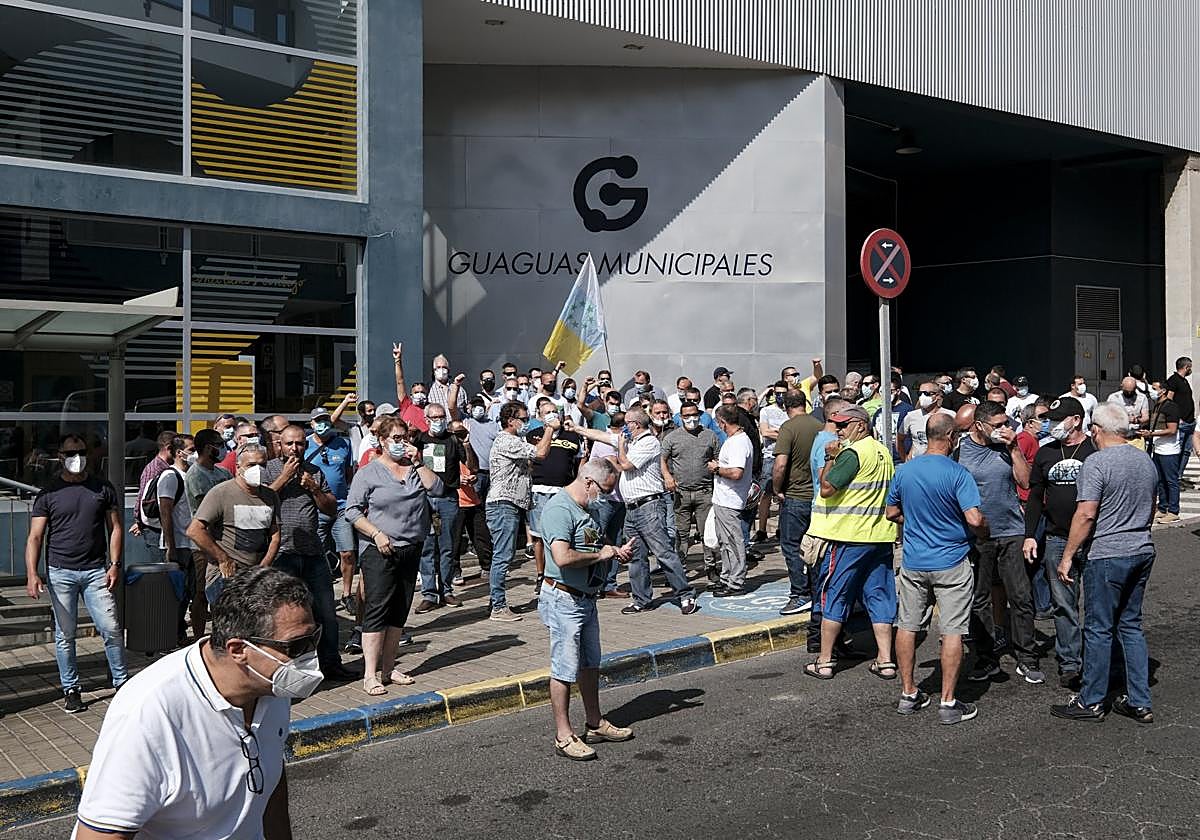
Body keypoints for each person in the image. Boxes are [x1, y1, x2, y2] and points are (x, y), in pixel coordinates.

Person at [72, 567, 312, 839]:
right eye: (297, 646)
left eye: (313, 639)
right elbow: (100, 834)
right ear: (239, 650)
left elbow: (270, 779)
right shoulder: (148, 714)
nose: (309, 658)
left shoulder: (271, 687)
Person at [1050, 404, 1158, 723]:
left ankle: (1092, 699)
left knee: (1098, 627)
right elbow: (1151, 506)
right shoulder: (1144, 459)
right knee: (1131, 624)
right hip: (1141, 547)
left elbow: (1086, 514)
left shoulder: (1096, 462)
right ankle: (1139, 700)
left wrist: (1067, 556)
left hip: (1108, 552)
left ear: (1096, 430)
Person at [886, 412, 988, 725]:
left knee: (908, 625)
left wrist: (914, 521)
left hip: (915, 561)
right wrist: (985, 528)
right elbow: (973, 519)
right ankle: (948, 701)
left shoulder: (905, 471)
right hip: (951, 561)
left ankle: (908, 692)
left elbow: (892, 513)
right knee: (953, 630)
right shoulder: (958, 473)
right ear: (951, 438)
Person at [538, 459, 637, 761]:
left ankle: (594, 723)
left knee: (590, 664)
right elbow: (563, 557)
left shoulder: (588, 508)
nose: (606, 497)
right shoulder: (558, 509)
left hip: (586, 598)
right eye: (605, 490)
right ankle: (563, 735)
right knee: (565, 669)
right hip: (563, 599)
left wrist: (614, 551)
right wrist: (600, 555)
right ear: (589, 482)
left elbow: (597, 540)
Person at [25, 433, 127, 714]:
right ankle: (71, 688)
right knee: (65, 634)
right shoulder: (49, 493)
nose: (76, 458)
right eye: (70, 453)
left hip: (96, 571)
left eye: (80, 452)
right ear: (60, 456)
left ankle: (121, 683)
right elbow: (35, 536)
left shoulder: (102, 488)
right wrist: (32, 574)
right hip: (60, 572)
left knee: (111, 628)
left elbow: (115, 528)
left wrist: (115, 564)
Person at [346, 416, 442, 694]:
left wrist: (419, 462)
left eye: (405, 438)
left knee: (400, 609)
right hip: (380, 550)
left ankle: (389, 669)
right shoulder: (369, 472)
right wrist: (376, 533)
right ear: (383, 441)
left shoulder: (413, 468)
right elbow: (352, 511)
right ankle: (370, 674)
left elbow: (436, 489)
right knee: (377, 610)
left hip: (410, 547)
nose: (402, 444)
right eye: (396, 439)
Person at [803, 405, 898, 681]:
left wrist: (830, 458)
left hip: (849, 538)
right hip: (879, 537)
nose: (839, 430)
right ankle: (885, 660)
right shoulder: (882, 452)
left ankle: (824, 661)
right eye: (836, 425)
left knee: (835, 594)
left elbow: (827, 487)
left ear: (860, 425)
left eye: (844, 425)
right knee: (879, 595)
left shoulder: (852, 453)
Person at [575, 407, 698, 615]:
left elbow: (626, 464)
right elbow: (602, 436)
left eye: (627, 423)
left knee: (663, 553)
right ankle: (641, 599)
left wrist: (621, 446)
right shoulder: (629, 441)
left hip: (649, 505)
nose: (624, 427)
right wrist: (577, 428)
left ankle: (685, 595)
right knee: (635, 556)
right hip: (631, 508)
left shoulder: (649, 442)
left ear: (636, 424)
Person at [957, 400, 1042, 684]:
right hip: (978, 535)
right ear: (979, 426)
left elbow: (1026, 482)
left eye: (1007, 423)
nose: (1005, 429)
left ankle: (1026, 657)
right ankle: (986, 657)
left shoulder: (1007, 448)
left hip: (1011, 530)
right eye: (999, 425)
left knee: (1020, 596)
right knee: (980, 598)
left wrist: (1014, 447)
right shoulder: (961, 450)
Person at [262, 425, 356, 682]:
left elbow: (331, 509)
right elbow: (260, 502)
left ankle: (330, 664)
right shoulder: (267, 470)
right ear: (279, 445)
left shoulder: (314, 472)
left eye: (301, 444)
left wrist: (314, 488)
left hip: (313, 552)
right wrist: (283, 478)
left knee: (325, 611)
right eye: (290, 444)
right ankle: (289, 669)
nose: (295, 448)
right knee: (285, 615)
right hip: (282, 553)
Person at [1023, 397, 1096, 689]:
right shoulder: (1046, 453)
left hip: (1093, 540)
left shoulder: (1094, 450)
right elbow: (1035, 498)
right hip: (1055, 539)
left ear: (1076, 420)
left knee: (1095, 604)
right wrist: (1030, 534)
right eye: (1048, 419)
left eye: (1057, 419)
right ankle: (1070, 663)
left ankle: (1096, 659)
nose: (1050, 425)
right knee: (1063, 605)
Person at [486, 400, 556, 621]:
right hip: (502, 504)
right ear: (510, 421)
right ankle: (498, 606)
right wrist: (550, 429)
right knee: (503, 556)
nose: (527, 423)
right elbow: (541, 453)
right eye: (524, 419)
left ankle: (495, 600)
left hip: (511, 504)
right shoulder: (507, 440)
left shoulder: (514, 441)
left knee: (503, 554)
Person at [186, 444, 281, 606]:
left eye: (262, 465)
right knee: (230, 627)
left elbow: (275, 536)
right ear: (238, 467)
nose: (258, 470)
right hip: (226, 576)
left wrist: (263, 567)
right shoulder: (221, 493)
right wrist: (223, 559)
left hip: (257, 575)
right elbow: (194, 530)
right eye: (251, 465)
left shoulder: (270, 496)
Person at [522, 399, 584, 595]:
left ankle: (562, 574)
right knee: (539, 536)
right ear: (539, 416)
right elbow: (528, 460)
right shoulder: (532, 435)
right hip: (539, 490)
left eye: (554, 411)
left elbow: (580, 461)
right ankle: (542, 575)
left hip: (563, 492)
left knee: (563, 534)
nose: (551, 414)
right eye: (547, 412)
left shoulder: (572, 436)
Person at [412, 400, 467, 612]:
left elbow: (470, 464)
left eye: (441, 417)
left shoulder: (453, 439)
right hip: (424, 498)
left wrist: (467, 443)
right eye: (434, 417)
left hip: (448, 498)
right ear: (426, 420)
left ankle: (446, 590)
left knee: (448, 546)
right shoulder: (419, 440)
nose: (438, 421)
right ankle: (429, 593)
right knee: (426, 547)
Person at [771, 391, 823, 615]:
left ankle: (799, 594)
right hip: (818, 497)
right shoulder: (820, 426)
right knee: (817, 548)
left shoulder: (788, 428)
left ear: (785, 406)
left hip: (795, 497)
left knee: (792, 547)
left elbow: (780, 465)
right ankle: (816, 591)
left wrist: (776, 489)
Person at [661, 400, 719, 583]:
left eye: (694, 415)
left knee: (707, 534)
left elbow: (719, 458)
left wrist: (716, 466)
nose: (691, 419)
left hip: (704, 492)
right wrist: (667, 477)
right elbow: (661, 459)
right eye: (686, 416)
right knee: (681, 534)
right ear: (680, 417)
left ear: (700, 415)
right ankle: (680, 569)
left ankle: (711, 567)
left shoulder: (709, 435)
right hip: (681, 493)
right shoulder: (672, 437)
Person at [306, 407, 357, 614]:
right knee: (317, 553)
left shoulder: (343, 444)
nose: (323, 424)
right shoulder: (305, 444)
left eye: (326, 420)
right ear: (311, 424)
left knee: (347, 552)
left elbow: (347, 474)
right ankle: (318, 592)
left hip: (341, 507)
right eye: (318, 421)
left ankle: (346, 593)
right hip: (315, 508)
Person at [152, 434, 200, 644]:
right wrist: (170, 545)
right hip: (179, 544)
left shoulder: (193, 475)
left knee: (189, 592)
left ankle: (178, 633)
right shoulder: (170, 477)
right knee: (176, 593)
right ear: (179, 452)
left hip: (193, 543)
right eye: (191, 450)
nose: (194, 454)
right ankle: (171, 634)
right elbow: (166, 512)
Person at [708, 405, 755, 595]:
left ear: (722, 422)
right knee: (725, 542)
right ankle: (727, 577)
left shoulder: (738, 442)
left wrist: (716, 469)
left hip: (731, 500)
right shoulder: (733, 440)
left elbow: (736, 472)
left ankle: (735, 582)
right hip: (723, 499)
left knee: (733, 542)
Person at [130, 430, 177, 562]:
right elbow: (144, 499)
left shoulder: (168, 468)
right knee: (163, 571)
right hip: (155, 531)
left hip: (162, 528)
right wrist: (139, 521)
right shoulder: (155, 470)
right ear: (168, 448)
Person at [1140, 379, 1181, 523]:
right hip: (1158, 448)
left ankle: (1174, 510)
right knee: (1160, 480)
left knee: (1171, 481)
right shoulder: (1157, 405)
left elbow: (1172, 430)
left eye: (1154, 388)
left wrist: (1151, 434)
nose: (1151, 391)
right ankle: (1163, 508)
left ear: (1163, 390)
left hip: (1169, 450)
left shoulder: (1171, 407)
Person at [755, 380, 789, 541]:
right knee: (766, 493)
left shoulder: (790, 411)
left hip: (787, 455)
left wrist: (777, 431)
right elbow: (765, 432)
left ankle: (782, 528)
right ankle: (761, 529)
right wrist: (785, 434)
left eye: (784, 393)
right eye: (778, 393)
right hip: (770, 455)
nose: (781, 396)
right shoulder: (766, 411)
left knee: (784, 494)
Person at [901, 380, 956, 460]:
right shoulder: (911, 416)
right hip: (917, 465)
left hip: (942, 463)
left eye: (926, 394)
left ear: (937, 396)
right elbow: (899, 439)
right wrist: (905, 459)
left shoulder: (950, 415)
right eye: (920, 394)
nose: (922, 396)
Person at [873, 374, 914, 464]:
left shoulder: (908, 410)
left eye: (890, 391)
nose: (886, 394)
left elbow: (911, 437)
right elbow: (875, 434)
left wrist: (905, 457)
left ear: (898, 391)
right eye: (883, 391)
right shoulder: (879, 412)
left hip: (899, 460)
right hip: (881, 459)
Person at [1165, 356, 1195, 476]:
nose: (1190, 370)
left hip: (1190, 422)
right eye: (1190, 368)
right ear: (1186, 367)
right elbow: (1169, 400)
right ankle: (1174, 476)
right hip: (1181, 423)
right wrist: (1177, 418)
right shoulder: (1173, 380)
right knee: (1178, 450)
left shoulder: (1184, 381)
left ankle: (1179, 476)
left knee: (1186, 451)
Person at [349, 398, 378, 462]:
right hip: (359, 465)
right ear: (362, 413)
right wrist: (346, 402)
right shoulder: (354, 428)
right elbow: (334, 420)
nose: (373, 413)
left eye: (374, 410)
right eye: (369, 411)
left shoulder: (378, 427)